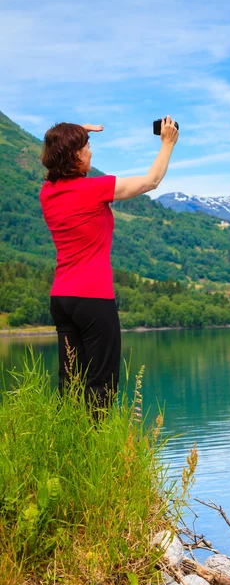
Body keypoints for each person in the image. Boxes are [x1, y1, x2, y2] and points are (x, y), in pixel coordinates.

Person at [40, 116, 179, 409]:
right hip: (93, 298)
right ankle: (97, 446)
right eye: (86, 147)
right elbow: (151, 181)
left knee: (71, 383)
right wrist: (167, 143)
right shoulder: (93, 190)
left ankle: (70, 443)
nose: (90, 151)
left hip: (62, 299)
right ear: (75, 155)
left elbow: (54, 151)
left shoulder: (48, 193)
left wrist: (75, 132)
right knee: (101, 384)